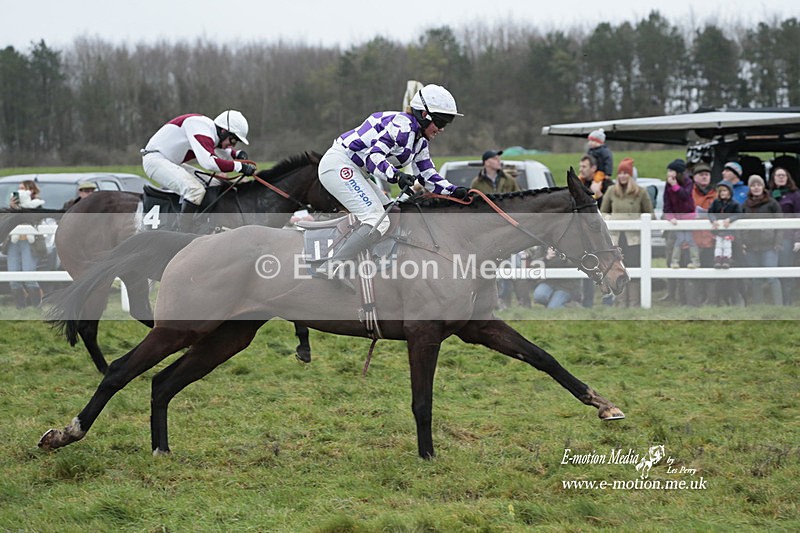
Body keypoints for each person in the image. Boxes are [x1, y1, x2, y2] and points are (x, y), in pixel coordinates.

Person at [315, 84, 467, 284]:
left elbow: (428, 175)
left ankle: (372, 265)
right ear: (424, 114)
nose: (441, 129)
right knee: (377, 219)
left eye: (447, 123)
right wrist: (396, 176)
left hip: (356, 170)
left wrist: (456, 191)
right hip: (339, 165)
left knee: (392, 212)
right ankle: (333, 265)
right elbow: (374, 158)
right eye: (439, 122)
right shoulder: (402, 127)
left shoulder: (419, 140)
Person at [140, 110, 256, 232]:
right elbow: (209, 162)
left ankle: (199, 221)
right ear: (223, 131)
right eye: (233, 140)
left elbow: (218, 150)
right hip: (154, 160)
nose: (232, 145)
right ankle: (182, 232)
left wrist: (237, 155)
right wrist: (239, 167)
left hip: (169, 161)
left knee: (214, 184)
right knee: (194, 190)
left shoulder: (210, 131)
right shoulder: (200, 127)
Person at [471, 150, 528, 308]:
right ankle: (499, 300)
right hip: (488, 232)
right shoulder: (477, 183)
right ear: (486, 162)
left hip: (508, 229)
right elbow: (474, 207)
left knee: (513, 266)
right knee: (492, 267)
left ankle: (521, 300)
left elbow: (518, 200)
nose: (498, 161)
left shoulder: (508, 180)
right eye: (495, 158)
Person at [600, 157, 654, 307]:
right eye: (620, 173)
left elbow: (649, 214)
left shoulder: (640, 192)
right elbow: (603, 212)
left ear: (630, 175)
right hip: (616, 239)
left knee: (634, 268)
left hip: (634, 239)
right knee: (618, 270)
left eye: (626, 173)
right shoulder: (611, 191)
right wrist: (612, 219)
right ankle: (621, 302)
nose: (623, 176)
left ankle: (635, 302)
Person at [576, 153, 613, 307]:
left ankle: (608, 299)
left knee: (606, 263)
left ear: (594, 168)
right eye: (580, 166)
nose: (581, 170)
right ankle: (588, 301)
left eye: (584, 166)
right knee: (588, 264)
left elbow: (609, 207)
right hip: (586, 234)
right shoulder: (579, 185)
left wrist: (598, 195)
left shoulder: (607, 183)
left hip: (604, 232)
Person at [741, 174, 783, 306]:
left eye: (758, 184)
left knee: (772, 277)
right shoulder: (745, 205)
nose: (756, 187)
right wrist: (742, 242)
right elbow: (740, 225)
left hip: (769, 246)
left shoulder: (772, 203)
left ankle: (778, 306)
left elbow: (781, 224)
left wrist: (778, 242)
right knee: (755, 279)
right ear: (750, 188)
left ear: (763, 186)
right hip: (751, 246)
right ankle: (758, 306)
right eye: (753, 185)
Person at [5, 180, 46, 308]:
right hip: (13, 242)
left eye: (22, 188)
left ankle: (37, 305)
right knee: (13, 278)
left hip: (30, 244)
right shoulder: (13, 206)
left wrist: (23, 207)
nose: (19, 191)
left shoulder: (37, 205)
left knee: (29, 276)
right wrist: (12, 208)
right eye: (18, 189)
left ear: (31, 190)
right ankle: (21, 307)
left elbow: (34, 219)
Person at [768, 166, 800, 304]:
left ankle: (787, 302)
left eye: (783, 175)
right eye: (778, 175)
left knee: (786, 267)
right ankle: (775, 303)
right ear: (773, 178)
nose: (780, 177)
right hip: (770, 238)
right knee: (772, 269)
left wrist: (798, 238)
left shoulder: (795, 195)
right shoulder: (768, 195)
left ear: (787, 178)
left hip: (787, 237)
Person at [688, 162, 718, 304]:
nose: (704, 177)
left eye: (707, 174)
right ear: (694, 177)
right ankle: (693, 300)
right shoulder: (688, 193)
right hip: (692, 239)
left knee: (710, 270)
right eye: (701, 175)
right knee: (693, 271)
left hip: (710, 239)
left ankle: (711, 299)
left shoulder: (717, 194)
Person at [664, 159, 700, 269]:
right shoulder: (667, 186)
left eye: (671, 170)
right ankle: (674, 262)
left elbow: (684, 196)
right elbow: (667, 203)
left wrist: (675, 186)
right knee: (679, 239)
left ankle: (695, 261)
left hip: (688, 216)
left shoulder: (688, 182)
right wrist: (670, 217)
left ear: (677, 172)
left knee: (689, 239)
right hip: (676, 218)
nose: (668, 173)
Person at [707, 182, 742, 269]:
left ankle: (727, 259)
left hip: (729, 230)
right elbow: (710, 212)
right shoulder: (716, 202)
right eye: (720, 191)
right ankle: (718, 259)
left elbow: (739, 214)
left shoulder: (735, 204)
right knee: (718, 245)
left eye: (725, 191)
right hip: (718, 230)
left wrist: (730, 219)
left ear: (730, 192)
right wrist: (713, 220)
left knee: (727, 245)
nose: (722, 193)